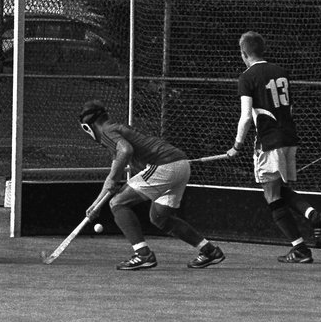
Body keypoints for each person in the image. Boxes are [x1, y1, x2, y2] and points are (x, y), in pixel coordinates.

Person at [226, 31, 321, 264]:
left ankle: (300, 249)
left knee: (271, 194)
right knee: (278, 188)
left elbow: (245, 117)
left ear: (244, 53)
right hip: (289, 136)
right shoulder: (281, 72)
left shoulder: (247, 77)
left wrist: (236, 146)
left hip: (269, 140)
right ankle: (315, 216)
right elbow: (289, 108)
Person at [81, 101, 225, 271]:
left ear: (88, 126)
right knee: (160, 217)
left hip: (165, 166)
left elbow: (125, 151)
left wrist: (111, 184)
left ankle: (143, 254)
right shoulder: (116, 129)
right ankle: (209, 251)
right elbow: (116, 169)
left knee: (117, 202)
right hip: (181, 165)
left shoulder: (106, 131)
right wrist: (97, 203)